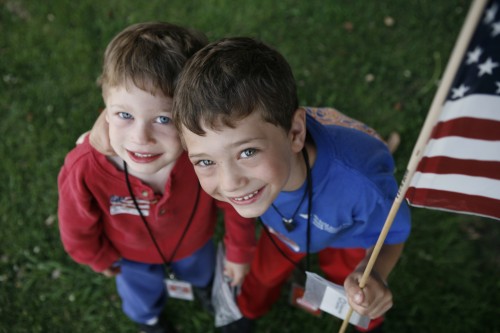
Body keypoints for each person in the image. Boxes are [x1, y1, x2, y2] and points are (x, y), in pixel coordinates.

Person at [171, 37, 412, 333]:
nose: (230, 183)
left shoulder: (361, 186)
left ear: (295, 133)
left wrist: (373, 272)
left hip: (349, 234)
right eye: (206, 162)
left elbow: (393, 233)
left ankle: (368, 322)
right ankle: (247, 311)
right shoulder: (252, 178)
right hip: (282, 233)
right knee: (264, 273)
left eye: (247, 152)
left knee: (356, 288)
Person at [57, 23, 256, 333]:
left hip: (195, 246)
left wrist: (239, 251)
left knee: (203, 273)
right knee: (141, 298)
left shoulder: (206, 156)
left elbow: (235, 200)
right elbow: (75, 226)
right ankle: (150, 321)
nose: (140, 138)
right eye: (124, 115)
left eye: (163, 119)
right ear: (106, 105)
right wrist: (100, 259)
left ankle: (205, 290)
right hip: (130, 260)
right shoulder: (84, 168)